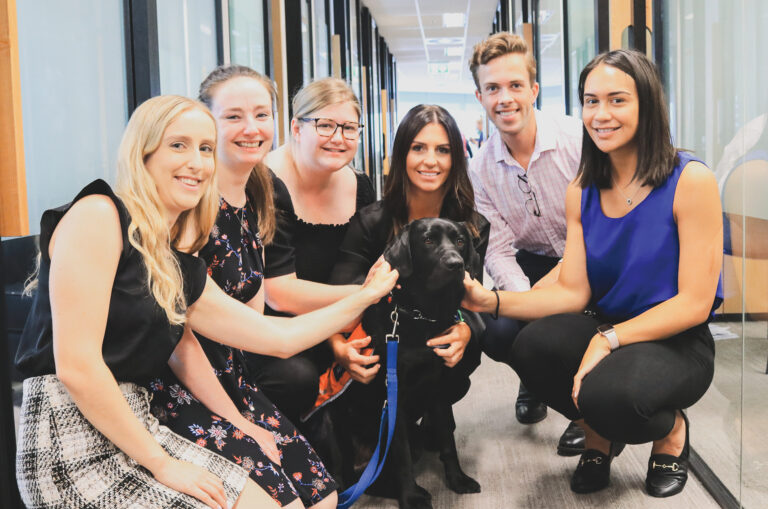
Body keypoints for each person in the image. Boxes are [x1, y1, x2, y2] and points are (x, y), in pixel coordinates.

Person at [14, 95, 398, 509]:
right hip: (71, 436)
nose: (196, 163)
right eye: (178, 145)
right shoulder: (99, 215)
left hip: (139, 421)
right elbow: (77, 366)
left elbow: (277, 337)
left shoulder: (175, 262)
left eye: (206, 149)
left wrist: (367, 295)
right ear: (143, 153)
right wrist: (162, 463)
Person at [461, 49, 723, 498]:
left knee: (611, 396)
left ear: (647, 104)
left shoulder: (690, 180)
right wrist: (492, 301)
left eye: (617, 100)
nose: (601, 115)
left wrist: (607, 339)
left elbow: (694, 304)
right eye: (591, 101)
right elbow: (572, 291)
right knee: (529, 345)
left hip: (675, 339)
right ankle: (598, 433)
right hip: (609, 323)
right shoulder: (581, 189)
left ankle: (672, 430)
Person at [327, 105, 488, 414]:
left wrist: (467, 330)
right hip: (377, 350)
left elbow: (473, 299)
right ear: (402, 155)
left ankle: (427, 413)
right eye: (418, 148)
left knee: (467, 354)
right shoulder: (371, 221)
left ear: (456, 158)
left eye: (443, 150)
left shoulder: (471, 227)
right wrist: (337, 348)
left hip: (433, 344)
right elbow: (338, 297)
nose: (431, 160)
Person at [468, 31, 584, 453]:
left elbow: (594, 226)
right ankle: (541, 383)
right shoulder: (479, 168)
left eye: (515, 85)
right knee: (496, 331)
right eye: (493, 88)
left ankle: (585, 398)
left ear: (533, 89)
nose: (505, 98)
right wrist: (528, 302)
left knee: (560, 331)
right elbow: (497, 249)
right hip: (530, 264)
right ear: (480, 96)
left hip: (589, 258)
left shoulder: (577, 140)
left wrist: (551, 292)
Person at [256, 78, 376, 417]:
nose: (338, 138)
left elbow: (367, 265)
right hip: (277, 329)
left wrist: (339, 337)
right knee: (297, 377)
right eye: (325, 125)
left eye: (349, 128)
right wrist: (364, 295)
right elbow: (279, 295)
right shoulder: (265, 185)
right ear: (296, 127)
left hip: (338, 321)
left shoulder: (361, 187)